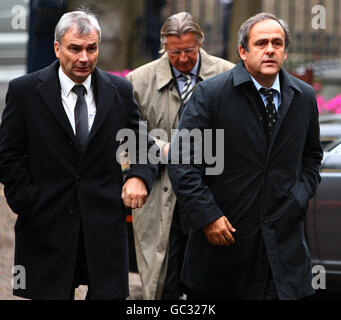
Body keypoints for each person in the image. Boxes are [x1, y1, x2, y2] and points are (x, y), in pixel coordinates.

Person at [0, 10, 157, 300]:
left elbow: (143, 144)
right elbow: (8, 153)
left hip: (105, 229)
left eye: (91, 48)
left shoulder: (119, 90)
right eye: (75, 48)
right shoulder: (24, 91)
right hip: (45, 227)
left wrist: (138, 177)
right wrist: (26, 199)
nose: (84, 57)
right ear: (58, 48)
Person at [167, 12, 323, 300]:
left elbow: (312, 157)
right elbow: (182, 161)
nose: (270, 50)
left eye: (277, 43)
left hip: (283, 252)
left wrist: (299, 196)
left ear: (285, 52)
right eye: (261, 43)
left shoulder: (303, 96)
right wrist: (208, 216)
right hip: (224, 253)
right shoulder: (211, 95)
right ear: (243, 51)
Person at [126, 11, 234, 300]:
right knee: (165, 278)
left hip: (210, 192)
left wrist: (190, 149)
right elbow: (128, 131)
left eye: (189, 50)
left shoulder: (227, 74)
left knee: (208, 278)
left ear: (200, 43)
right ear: (164, 47)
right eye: (175, 52)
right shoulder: (139, 80)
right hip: (161, 194)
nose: (183, 58)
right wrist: (158, 146)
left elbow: (237, 132)